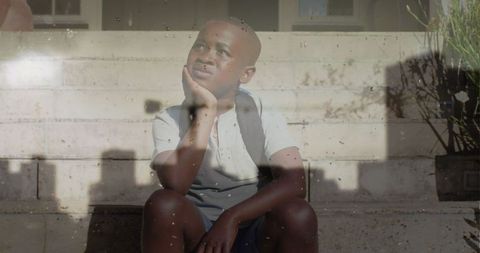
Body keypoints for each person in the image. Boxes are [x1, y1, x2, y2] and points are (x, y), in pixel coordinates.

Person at [142, 17, 318, 253]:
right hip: (199, 236)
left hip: (254, 231)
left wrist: (232, 217)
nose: (206, 57)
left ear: (245, 74)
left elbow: (294, 182)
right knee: (162, 204)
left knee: (298, 213)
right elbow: (176, 184)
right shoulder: (170, 118)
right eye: (200, 46)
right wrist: (205, 111)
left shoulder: (260, 111)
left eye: (222, 52)